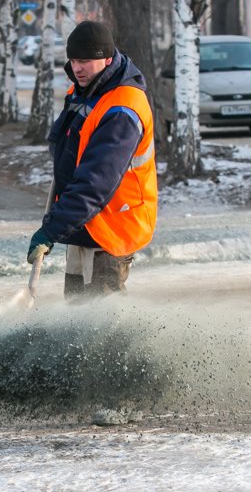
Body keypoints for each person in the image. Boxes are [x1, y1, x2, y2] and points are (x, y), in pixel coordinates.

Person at [26, 21, 157, 299]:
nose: (77, 68)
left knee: (102, 321)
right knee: (77, 312)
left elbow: (95, 182)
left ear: (107, 59)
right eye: (73, 60)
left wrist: (51, 229)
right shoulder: (84, 92)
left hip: (112, 225)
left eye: (85, 61)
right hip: (85, 222)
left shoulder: (122, 109)